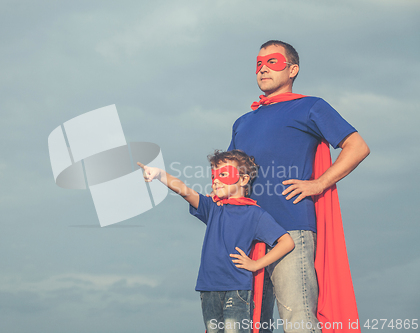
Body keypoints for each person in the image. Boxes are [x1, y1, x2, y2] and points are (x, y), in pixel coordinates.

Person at [228, 40, 370, 333]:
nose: (263, 68)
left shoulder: (310, 106)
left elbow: (357, 146)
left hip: (290, 228)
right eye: (259, 63)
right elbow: (231, 177)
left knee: (298, 321)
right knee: (247, 325)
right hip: (247, 235)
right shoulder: (242, 122)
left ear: (292, 70)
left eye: (273, 62)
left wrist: (319, 183)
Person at [138, 150, 295, 333]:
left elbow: (286, 242)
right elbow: (185, 191)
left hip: (236, 290)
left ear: (243, 180)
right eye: (213, 175)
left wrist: (256, 264)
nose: (216, 180)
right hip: (208, 288)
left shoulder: (255, 214)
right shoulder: (213, 208)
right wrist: (160, 174)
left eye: (223, 174)